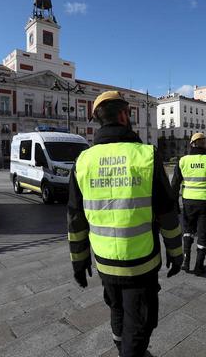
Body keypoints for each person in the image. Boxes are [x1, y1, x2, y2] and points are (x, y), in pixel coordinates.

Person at [67, 91, 183, 357]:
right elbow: (167, 212)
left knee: (117, 309)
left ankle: (123, 347)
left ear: (98, 120)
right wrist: (177, 254)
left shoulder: (83, 161)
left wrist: (78, 261)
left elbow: (75, 218)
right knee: (141, 323)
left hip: (105, 261)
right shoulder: (146, 155)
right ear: (122, 115)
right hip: (140, 263)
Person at [171, 133, 206, 276]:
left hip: (188, 202)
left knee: (188, 230)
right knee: (203, 233)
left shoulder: (182, 161)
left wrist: (174, 204)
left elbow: (175, 184)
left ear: (191, 144)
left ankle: (185, 261)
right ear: (205, 144)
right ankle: (199, 266)